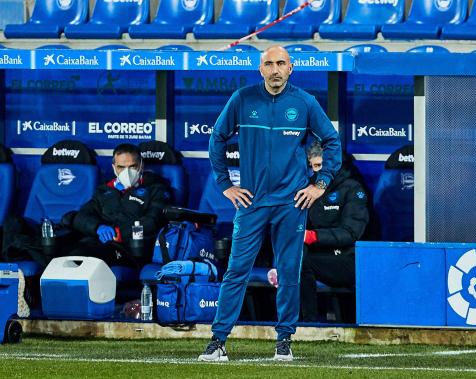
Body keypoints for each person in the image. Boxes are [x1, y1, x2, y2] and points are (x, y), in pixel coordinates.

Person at [199, 45, 341, 362]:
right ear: (260, 69)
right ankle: (218, 340)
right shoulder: (242, 99)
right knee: (236, 270)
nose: (275, 69)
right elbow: (216, 138)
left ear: (291, 68)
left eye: (281, 63)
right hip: (251, 202)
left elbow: (332, 141)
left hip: (291, 203)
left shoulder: (304, 102)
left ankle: (284, 341)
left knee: (289, 272)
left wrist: (319, 185)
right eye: (269, 64)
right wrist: (225, 184)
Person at [268, 142, 370, 322]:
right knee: (295, 254)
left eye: (322, 165)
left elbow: (351, 233)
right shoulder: (307, 189)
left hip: (348, 259)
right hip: (317, 255)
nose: (318, 172)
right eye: (314, 166)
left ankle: (308, 322)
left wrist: (313, 236)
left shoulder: (353, 188)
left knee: (300, 261)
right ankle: (291, 317)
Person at [69, 143, 171, 267]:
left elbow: (153, 221)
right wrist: (97, 227)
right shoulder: (105, 190)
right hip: (96, 242)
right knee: (69, 256)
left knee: (89, 259)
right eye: (121, 167)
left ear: (141, 165)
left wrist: (119, 232)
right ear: (114, 167)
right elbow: (82, 215)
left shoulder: (156, 190)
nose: (127, 172)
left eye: (132, 166)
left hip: (129, 248)